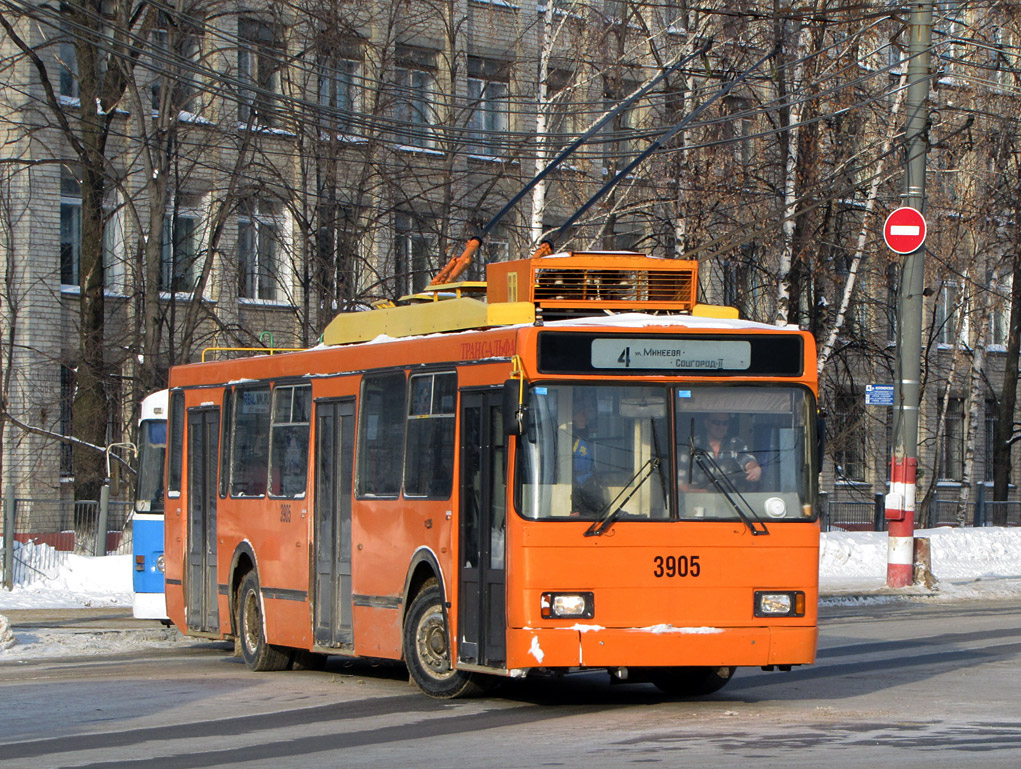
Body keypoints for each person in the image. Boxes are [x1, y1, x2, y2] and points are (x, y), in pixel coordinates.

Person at [679, 413, 761, 491]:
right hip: (697, 501)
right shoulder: (693, 445)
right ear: (706, 423)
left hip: (731, 500)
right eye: (716, 423)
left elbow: (746, 459)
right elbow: (681, 484)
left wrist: (754, 468)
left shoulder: (735, 443)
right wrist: (703, 493)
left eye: (725, 423)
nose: (721, 427)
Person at [567, 399, 607, 515]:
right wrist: (576, 507)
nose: (587, 418)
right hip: (579, 496)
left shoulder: (584, 437)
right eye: (582, 414)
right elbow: (570, 476)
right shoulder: (569, 440)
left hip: (591, 489)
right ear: (573, 417)